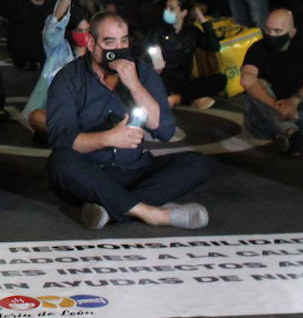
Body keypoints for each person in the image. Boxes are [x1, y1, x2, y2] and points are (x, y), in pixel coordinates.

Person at [45, 12, 211, 230]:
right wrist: (107, 138)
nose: (117, 50)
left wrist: (134, 85)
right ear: (92, 43)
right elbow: (60, 138)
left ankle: (111, 209)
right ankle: (152, 212)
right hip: (90, 172)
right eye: (109, 42)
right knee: (60, 162)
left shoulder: (142, 72)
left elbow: (165, 130)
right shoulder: (69, 78)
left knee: (197, 163)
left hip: (136, 169)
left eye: (123, 41)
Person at [240, 9, 303, 156]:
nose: (271, 35)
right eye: (268, 30)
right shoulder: (258, 48)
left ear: (291, 33)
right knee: (259, 84)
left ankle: (291, 139)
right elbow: (247, 79)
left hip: (297, 113)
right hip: (263, 117)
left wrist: (294, 101)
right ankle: (293, 134)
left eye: (277, 31)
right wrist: (278, 107)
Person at [24, 0, 84, 137]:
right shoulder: (59, 50)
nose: (84, 34)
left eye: (87, 30)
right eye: (79, 30)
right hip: (59, 111)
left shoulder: (96, 54)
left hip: (85, 112)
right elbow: (54, 24)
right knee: (36, 117)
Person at [145, 0, 226, 110]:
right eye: (166, 7)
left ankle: (177, 98)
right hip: (163, 78)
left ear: (183, 13)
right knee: (156, 86)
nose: (167, 11)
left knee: (220, 80)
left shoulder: (192, 32)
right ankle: (187, 98)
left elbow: (214, 47)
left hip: (183, 81)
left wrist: (203, 20)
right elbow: (149, 54)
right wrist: (156, 66)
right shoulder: (159, 30)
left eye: (172, 8)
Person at [1, 0, 55, 70]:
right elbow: (6, 8)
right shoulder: (21, 5)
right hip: (22, 58)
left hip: (44, 58)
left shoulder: (51, 9)